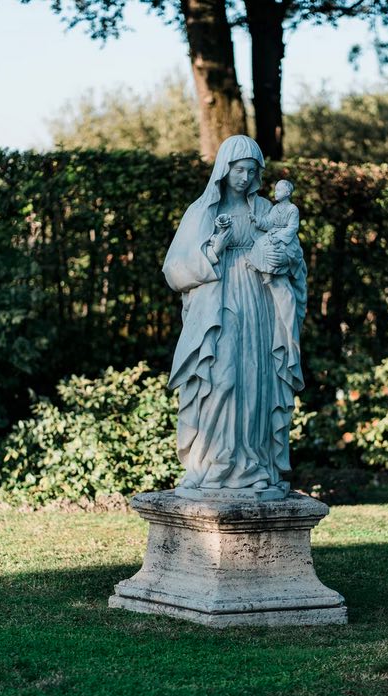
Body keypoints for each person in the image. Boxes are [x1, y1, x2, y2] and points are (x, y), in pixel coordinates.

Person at [162, 135, 307, 500]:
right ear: (224, 169)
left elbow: (294, 255)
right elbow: (175, 270)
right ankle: (207, 465)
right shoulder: (203, 212)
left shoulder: (267, 210)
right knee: (220, 378)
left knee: (255, 381)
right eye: (239, 169)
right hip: (219, 302)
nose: (245, 177)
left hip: (258, 302)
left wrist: (283, 261)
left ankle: (256, 467)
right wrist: (215, 250)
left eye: (252, 171)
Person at [247, 179, 301, 285]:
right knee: (259, 243)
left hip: (285, 237)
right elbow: (269, 222)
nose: (275, 192)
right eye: (275, 190)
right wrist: (256, 219)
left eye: (279, 190)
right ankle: (263, 270)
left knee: (274, 251)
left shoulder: (292, 209)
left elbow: (292, 227)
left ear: (287, 193)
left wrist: (279, 237)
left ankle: (271, 272)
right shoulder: (275, 208)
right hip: (273, 233)